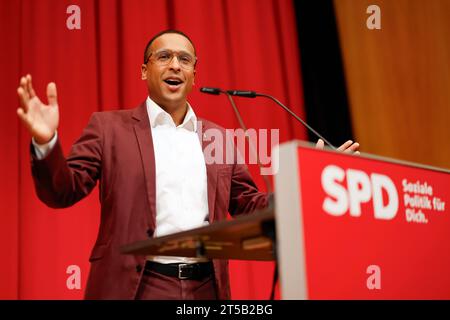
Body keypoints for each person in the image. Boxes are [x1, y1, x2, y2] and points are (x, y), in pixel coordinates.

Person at [16, 29, 359, 300]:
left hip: (205, 288)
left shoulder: (217, 137)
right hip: (137, 285)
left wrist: (309, 181)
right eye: (163, 56)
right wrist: (47, 142)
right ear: (144, 69)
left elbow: (250, 206)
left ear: (195, 73)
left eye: (184, 59)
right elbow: (62, 190)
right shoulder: (108, 128)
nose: (175, 65)